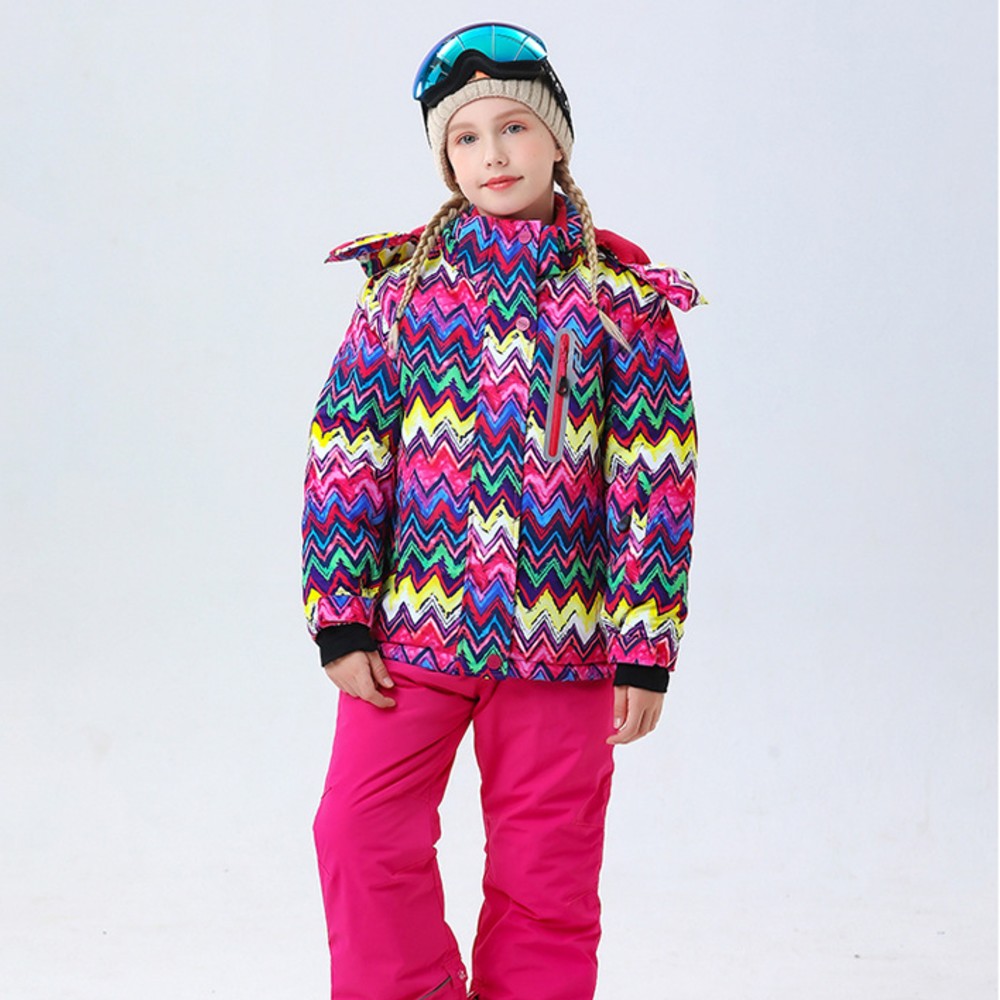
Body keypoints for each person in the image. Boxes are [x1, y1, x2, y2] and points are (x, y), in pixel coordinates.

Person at [301, 21, 706, 1000]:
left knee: (545, 868)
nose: (494, 153)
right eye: (467, 136)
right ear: (445, 159)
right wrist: (340, 616)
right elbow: (348, 454)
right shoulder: (401, 295)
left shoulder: (620, 304)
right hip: (412, 634)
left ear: (556, 139)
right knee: (357, 827)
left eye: (515, 127)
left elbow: (654, 482)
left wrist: (644, 645)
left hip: (565, 644)